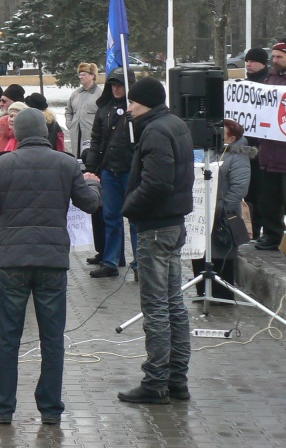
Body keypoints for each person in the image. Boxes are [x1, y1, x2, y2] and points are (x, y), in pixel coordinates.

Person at [0, 108, 101, 425]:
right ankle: (50, 409)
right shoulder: (67, 163)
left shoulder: (2, 164)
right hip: (52, 262)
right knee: (52, 339)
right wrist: (93, 184)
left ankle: (3, 408)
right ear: (45, 130)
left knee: (8, 339)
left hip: (13, 261)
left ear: (19, 134)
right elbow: (90, 203)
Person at [118, 77, 193, 405]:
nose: (129, 107)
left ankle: (156, 381)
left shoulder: (156, 130)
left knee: (158, 306)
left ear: (145, 102)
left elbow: (158, 183)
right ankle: (177, 379)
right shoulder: (174, 123)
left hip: (157, 228)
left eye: (133, 102)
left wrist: (128, 206)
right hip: (173, 225)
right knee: (173, 303)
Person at [191, 119, 253, 298]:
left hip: (223, 216)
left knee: (221, 255)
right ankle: (203, 292)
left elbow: (240, 187)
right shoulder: (211, 151)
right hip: (203, 212)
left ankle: (221, 295)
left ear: (232, 138)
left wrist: (218, 209)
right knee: (201, 253)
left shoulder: (238, 156)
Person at [83, 68, 135, 278]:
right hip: (109, 170)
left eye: (120, 84)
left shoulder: (136, 109)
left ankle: (140, 263)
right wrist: (91, 167)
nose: (115, 88)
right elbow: (96, 140)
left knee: (134, 217)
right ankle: (111, 259)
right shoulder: (104, 108)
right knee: (110, 216)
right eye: (112, 84)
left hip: (130, 169)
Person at [254, 42, 286, 250]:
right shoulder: (270, 78)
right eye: (273, 57)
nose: (274, 61)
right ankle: (272, 235)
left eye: (279, 57)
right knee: (269, 199)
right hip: (269, 152)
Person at [242, 49, 269, 242]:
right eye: (246, 61)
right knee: (249, 192)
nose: (248, 64)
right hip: (246, 146)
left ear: (262, 63)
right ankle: (252, 230)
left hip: (263, 148)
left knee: (261, 193)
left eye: (252, 61)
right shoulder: (245, 85)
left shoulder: (269, 84)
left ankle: (262, 229)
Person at [65, 63, 101, 159]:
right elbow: (68, 111)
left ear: (92, 76)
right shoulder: (76, 93)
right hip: (76, 134)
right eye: (79, 74)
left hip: (92, 136)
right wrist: (70, 124)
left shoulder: (100, 94)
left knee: (90, 159)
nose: (80, 77)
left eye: (84, 74)